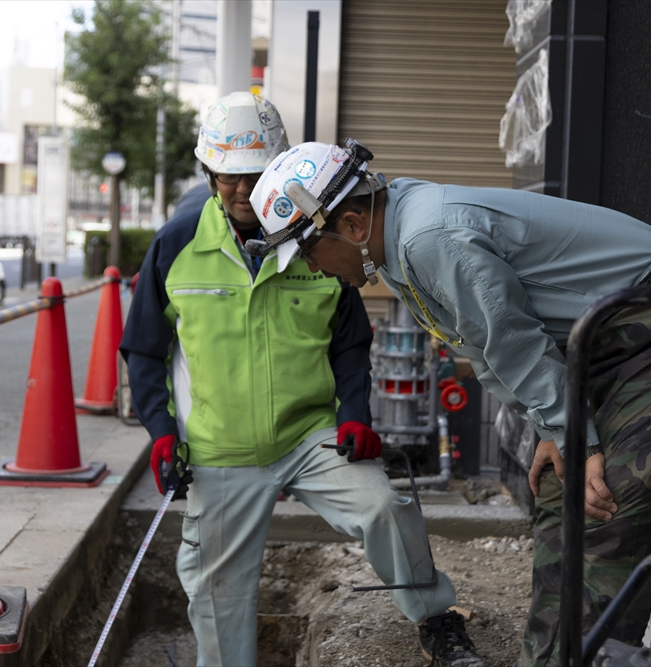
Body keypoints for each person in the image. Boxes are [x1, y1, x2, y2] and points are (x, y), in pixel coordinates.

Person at [247, 139, 651, 666]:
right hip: (616, 337)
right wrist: (553, 429)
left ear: (349, 225)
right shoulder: (394, 247)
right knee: (561, 488)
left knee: (610, 501)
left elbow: (511, 338)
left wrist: (570, 431)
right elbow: (483, 346)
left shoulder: (426, 237)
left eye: (307, 250)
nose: (313, 267)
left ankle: (591, 658)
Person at [120, 95, 482, 667]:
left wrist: (355, 415)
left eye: (255, 175)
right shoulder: (177, 244)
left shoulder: (312, 238)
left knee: (384, 509)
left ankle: (437, 621)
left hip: (309, 437)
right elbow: (143, 350)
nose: (243, 190)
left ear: (277, 171)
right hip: (220, 451)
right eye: (229, 176)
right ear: (210, 175)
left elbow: (350, 341)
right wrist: (162, 432)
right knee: (217, 596)